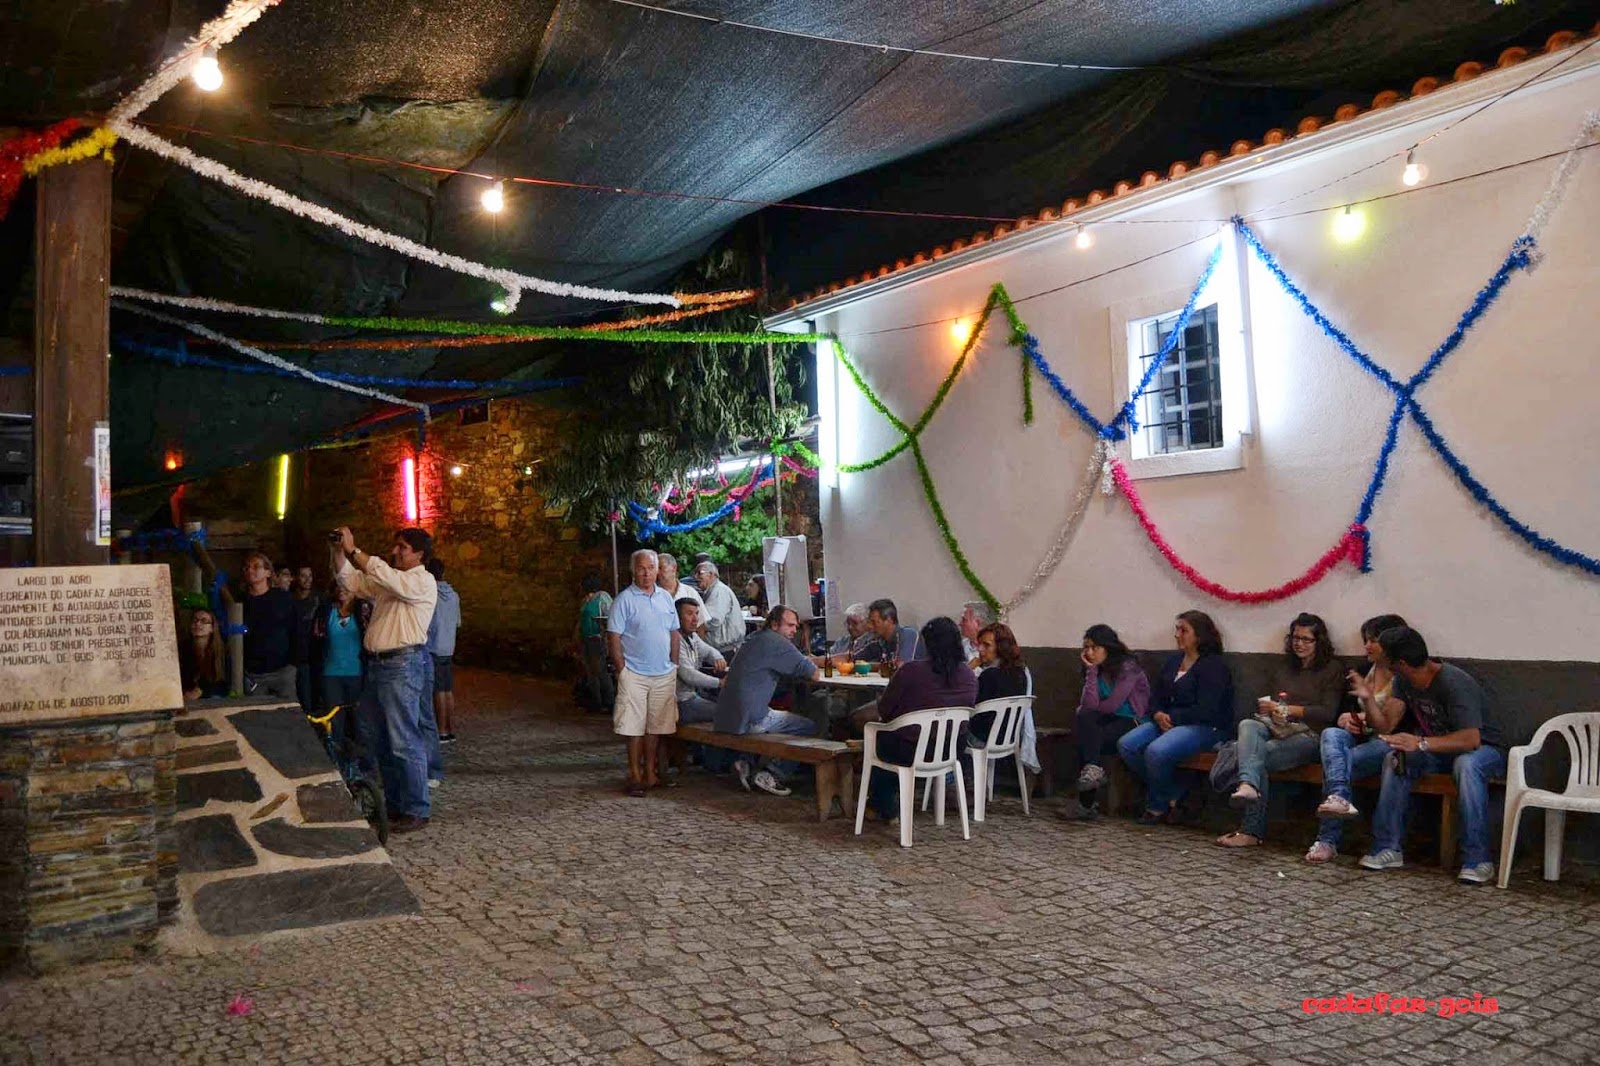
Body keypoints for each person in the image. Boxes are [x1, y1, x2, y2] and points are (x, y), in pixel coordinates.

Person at [1359, 626, 1506, 884]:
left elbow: (1471, 740)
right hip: (1440, 749)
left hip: (1486, 750)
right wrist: (1368, 700)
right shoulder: (1404, 681)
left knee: (1467, 765)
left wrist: (1421, 743)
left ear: (1400, 664)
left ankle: (1478, 860)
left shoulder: (1454, 682)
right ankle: (1387, 848)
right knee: (1396, 758)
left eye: (1386, 660)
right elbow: (1385, 726)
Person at [333, 526, 438, 835]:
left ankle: (416, 809)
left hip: (402, 665)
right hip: (378, 666)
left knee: (404, 739)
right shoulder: (392, 582)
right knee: (380, 740)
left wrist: (354, 551)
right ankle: (394, 806)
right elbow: (351, 581)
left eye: (402, 547)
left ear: (419, 554)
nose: (395, 552)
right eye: (396, 546)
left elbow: (383, 574)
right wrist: (338, 552)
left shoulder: (421, 581)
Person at [1217, 612, 1347, 848]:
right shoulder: (1284, 667)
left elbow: (1327, 713)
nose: (1299, 644)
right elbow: (1273, 704)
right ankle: (1248, 786)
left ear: (1319, 642)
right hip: (1279, 728)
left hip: (1310, 735)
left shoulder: (1332, 669)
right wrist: (1273, 710)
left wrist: (1285, 709)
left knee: (1256, 757)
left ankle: (1250, 829)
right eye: (1296, 638)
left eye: (1307, 639)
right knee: (1248, 725)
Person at [1305, 614, 1409, 864]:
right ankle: (1339, 798)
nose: (1367, 646)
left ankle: (1327, 839)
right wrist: (1346, 719)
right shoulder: (1362, 671)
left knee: (1338, 763)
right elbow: (1340, 711)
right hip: (1358, 737)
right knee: (1332, 735)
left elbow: (1395, 724)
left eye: (1373, 641)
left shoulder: (1403, 676)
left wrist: (1366, 716)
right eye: (1366, 640)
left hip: (1389, 742)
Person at [1117, 610, 1233, 825]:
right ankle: (1173, 793)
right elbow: (1156, 696)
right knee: (1128, 745)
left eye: (1184, 630)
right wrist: (1158, 713)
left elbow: (1208, 708)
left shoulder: (1214, 666)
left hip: (1205, 726)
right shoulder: (1173, 662)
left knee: (1156, 751)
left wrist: (1172, 717)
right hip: (1168, 720)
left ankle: (1156, 806)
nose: (1177, 634)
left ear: (1199, 635)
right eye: (1177, 629)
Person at [864, 616, 978, 822]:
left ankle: (884, 805)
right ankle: (881, 804)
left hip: (909, 750)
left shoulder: (911, 671)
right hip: (951, 750)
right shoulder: (969, 676)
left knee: (880, 738)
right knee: (890, 738)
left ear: (928, 644)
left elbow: (885, 709)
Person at [713, 605, 822, 796]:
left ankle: (745, 760)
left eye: (796, 627)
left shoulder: (754, 637)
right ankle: (772, 773)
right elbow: (814, 674)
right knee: (809, 726)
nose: (794, 631)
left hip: (725, 716)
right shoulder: (777, 642)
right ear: (774, 625)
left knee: (780, 710)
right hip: (748, 720)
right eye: (789, 625)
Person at [607, 549, 681, 797]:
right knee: (633, 727)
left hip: (662, 673)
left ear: (658, 570)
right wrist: (622, 670)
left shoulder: (665, 598)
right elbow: (614, 637)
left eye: (651, 568)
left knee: (655, 727)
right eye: (641, 568)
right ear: (633, 570)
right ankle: (635, 775)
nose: (646, 573)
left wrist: (674, 663)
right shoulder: (624, 600)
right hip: (635, 674)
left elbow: (674, 632)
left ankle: (651, 772)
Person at [1071, 624, 1151, 819]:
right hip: (1106, 720)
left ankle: (1086, 805)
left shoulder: (1128, 668)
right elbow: (1089, 705)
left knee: (1088, 736)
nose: (1089, 653)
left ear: (1108, 648)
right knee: (1085, 722)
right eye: (1086, 648)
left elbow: (1112, 705)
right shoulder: (1096, 669)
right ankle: (1092, 779)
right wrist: (1091, 672)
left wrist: (1090, 709)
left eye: (1095, 647)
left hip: (1133, 720)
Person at [314, 583, 366, 746]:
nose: (342, 589)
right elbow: (316, 640)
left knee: (360, 719)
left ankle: (362, 755)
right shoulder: (326, 611)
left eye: (347, 586)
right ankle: (335, 754)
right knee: (334, 720)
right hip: (331, 674)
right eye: (339, 586)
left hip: (357, 673)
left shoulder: (363, 611)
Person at [240, 551, 298, 699]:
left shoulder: (283, 598)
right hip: (253, 673)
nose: (250, 570)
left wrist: (294, 663)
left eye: (256, 566)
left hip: (282, 670)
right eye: (247, 567)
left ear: (268, 572)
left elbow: (295, 629)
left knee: (288, 710)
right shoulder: (240, 602)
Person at [426, 558, 461, 744]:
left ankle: (442, 731)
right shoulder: (454, 595)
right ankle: (450, 729)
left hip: (434, 647)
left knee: (438, 690)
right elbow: (457, 622)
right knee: (448, 689)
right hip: (449, 647)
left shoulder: (431, 594)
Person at [674, 599, 724, 725]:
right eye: (689, 614)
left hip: (695, 694)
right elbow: (689, 675)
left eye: (697, 613)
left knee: (729, 704)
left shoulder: (692, 636)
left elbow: (708, 651)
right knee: (728, 713)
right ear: (678, 617)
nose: (695, 619)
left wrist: (718, 658)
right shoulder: (674, 639)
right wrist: (719, 683)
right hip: (682, 701)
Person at [575, 574, 614, 712]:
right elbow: (581, 620)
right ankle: (595, 701)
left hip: (597, 637)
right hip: (586, 638)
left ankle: (609, 701)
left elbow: (610, 615)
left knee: (600, 670)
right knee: (590, 671)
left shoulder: (602, 597)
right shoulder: (585, 600)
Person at [694, 560, 745, 653]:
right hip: (723, 648)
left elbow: (713, 619)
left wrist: (698, 627)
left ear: (711, 574)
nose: (695, 577)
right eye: (695, 573)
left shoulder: (719, 591)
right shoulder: (713, 590)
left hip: (725, 650)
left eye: (699, 573)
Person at [179, 608, 229, 700]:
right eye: (195, 620)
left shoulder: (222, 652)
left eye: (204, 621)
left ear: (212, 628)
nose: (198, 624)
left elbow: (223, 683)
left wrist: (201, 692)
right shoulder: (182, 649)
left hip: (212, 696)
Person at [290, 564, 322, 712]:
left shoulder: (319, 599)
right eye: (303, 576)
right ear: (296, 578)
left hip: (316, 653)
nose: (307, 579)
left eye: (310, 576)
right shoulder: (290, 599)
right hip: (297, 654)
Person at [959, 602, 993, 668]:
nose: (960, 623)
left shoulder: (995, 648)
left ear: (977, 623)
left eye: (964, 620)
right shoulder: (960, 646)